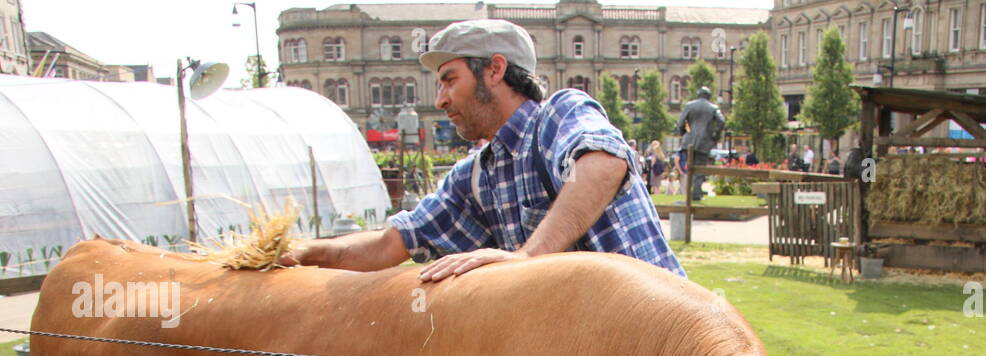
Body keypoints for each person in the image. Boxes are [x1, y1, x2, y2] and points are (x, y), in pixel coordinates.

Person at [284, 19, 684, 279]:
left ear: (494, 70)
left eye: (449, 80)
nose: (440, 99)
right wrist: (301, 252)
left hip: (666, 350)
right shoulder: (475, 177)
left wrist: (529, 256)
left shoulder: (560, 115)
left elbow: (602, 164)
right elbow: (392, 243)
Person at [673, 86, 725, 202]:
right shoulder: (713, 108)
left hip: (688, 141)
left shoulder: (689, 105)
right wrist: (715, 135)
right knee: (699, 168)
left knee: (689, 168)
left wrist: (684, 134)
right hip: (704, 141)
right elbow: (721, 121)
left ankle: (691, 193)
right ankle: (696, 194)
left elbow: (681, 123)